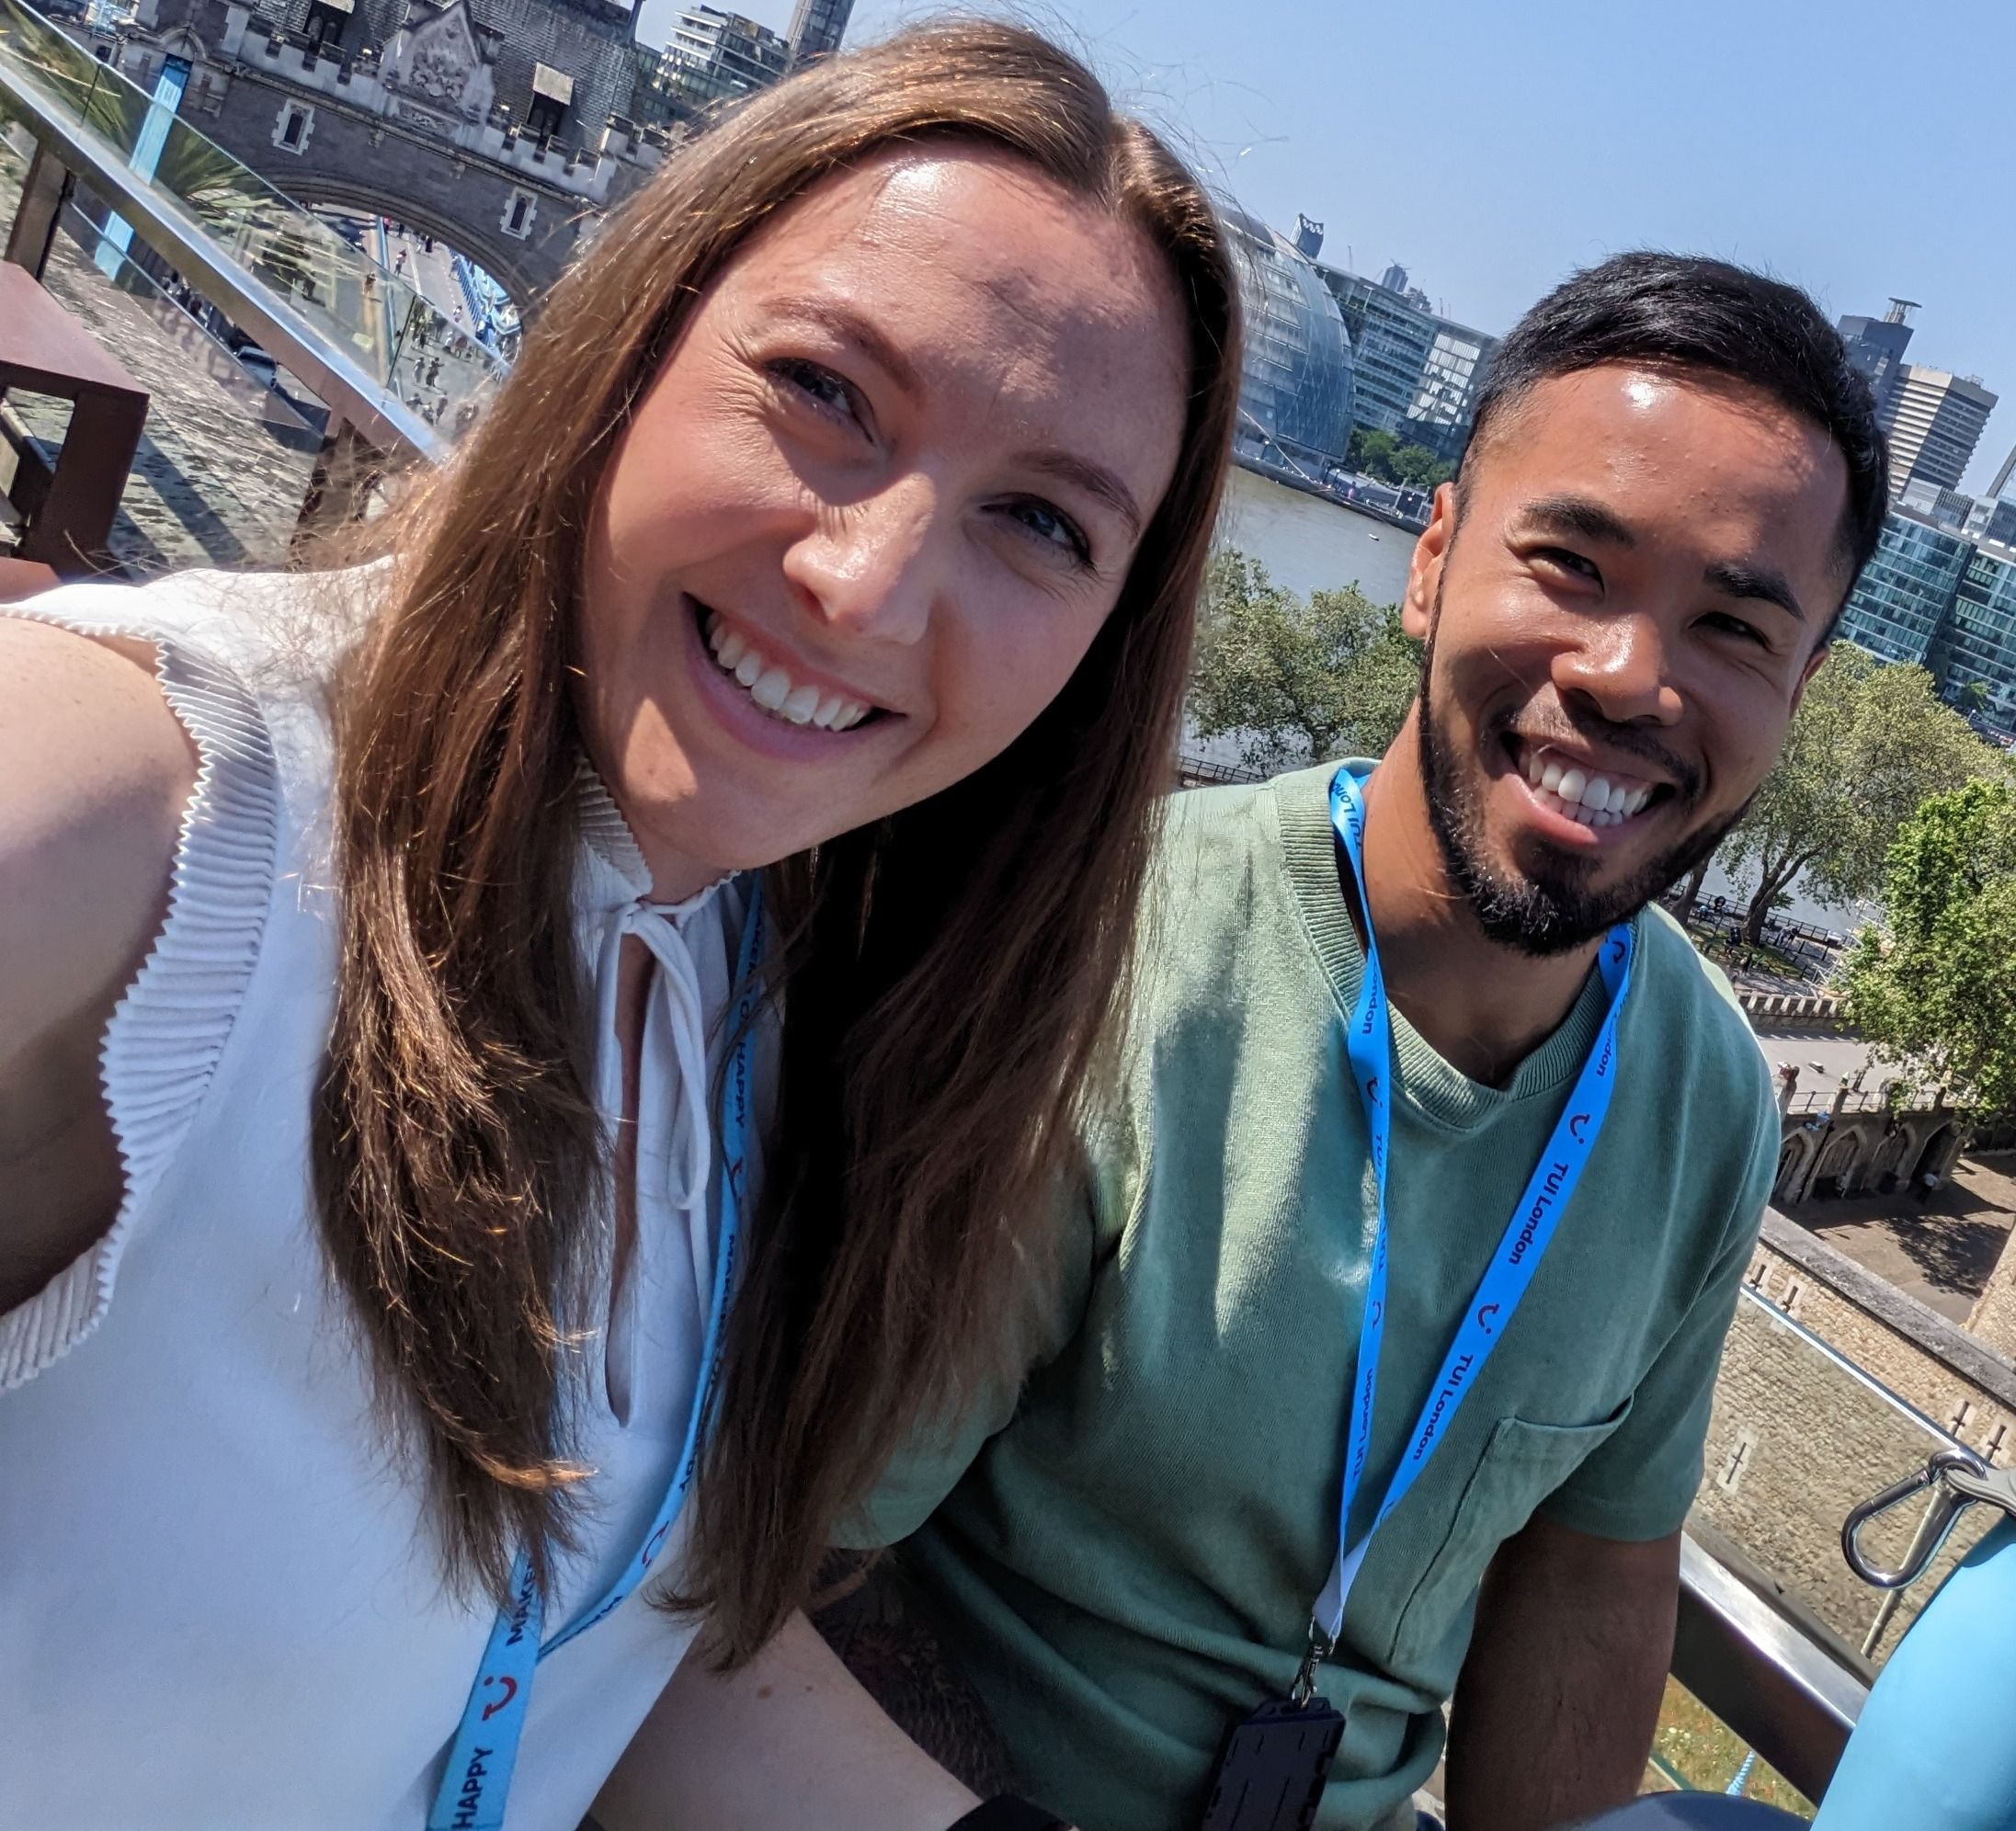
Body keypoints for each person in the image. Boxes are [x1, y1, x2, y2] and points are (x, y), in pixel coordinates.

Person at [0, 24, 1238, 1828]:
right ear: (635, 340)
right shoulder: (157, 808)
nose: (867, 587)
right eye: (827, 393)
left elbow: (584, 1626)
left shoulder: (741, 981)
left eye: (1038, 519)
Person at [839, 254, 1890, 1831]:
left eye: (1733, 629)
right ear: (1434, 561)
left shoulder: (1708, 1099)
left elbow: (1591, 1575)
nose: (1625, 678)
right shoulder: (1117, 958)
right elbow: (817, 1570)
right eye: (1573, 567)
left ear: (1798, 694)